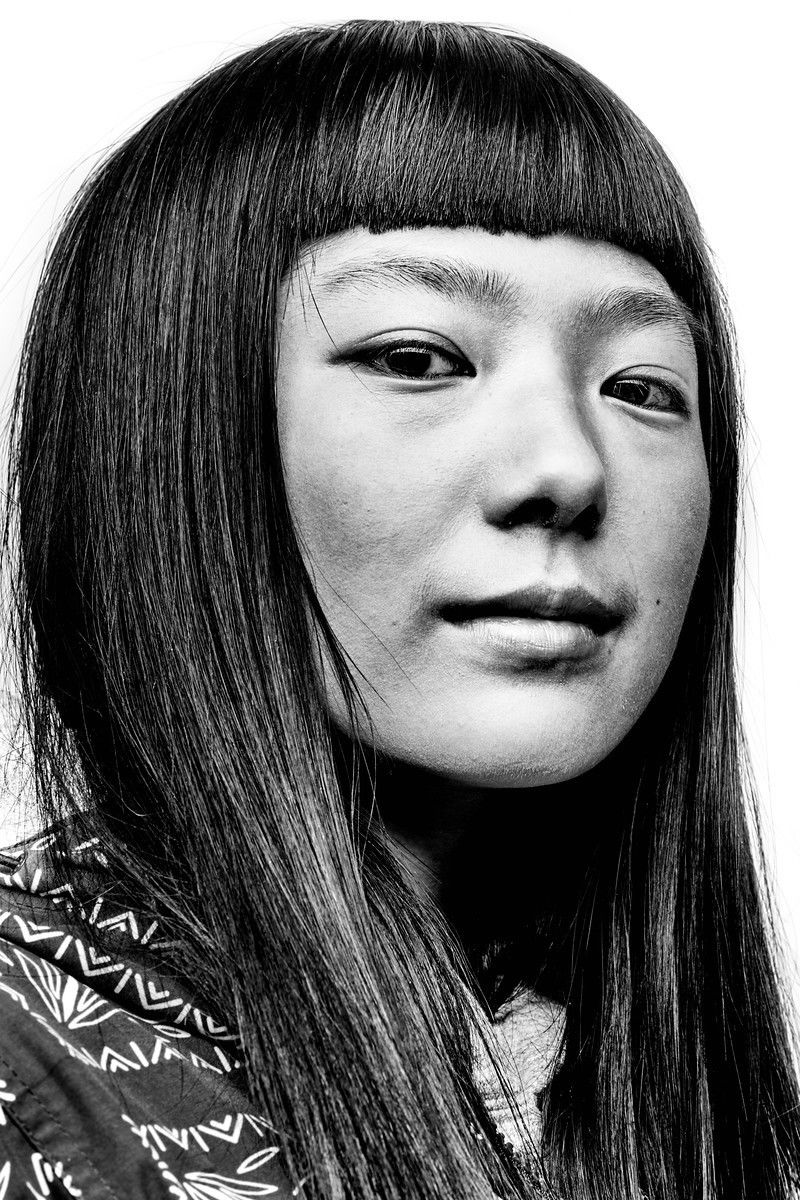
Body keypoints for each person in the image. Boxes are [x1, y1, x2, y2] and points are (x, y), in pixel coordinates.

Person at [0, 17, 798, 1200]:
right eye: (417, 359)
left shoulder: (671, 1091)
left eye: (639, 385)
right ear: (167, 435)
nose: (565, 467)